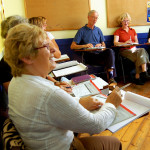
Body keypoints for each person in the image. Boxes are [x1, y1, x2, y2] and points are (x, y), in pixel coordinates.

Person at [4, 23, 122, 150]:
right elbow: (96, 125)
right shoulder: (48, 93)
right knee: (114, 142)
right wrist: (111, 104)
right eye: (46, 46)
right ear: (27, 57)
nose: (54, 49)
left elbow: (47, 109)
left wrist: (79, 101)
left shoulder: (16, 81)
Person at [70, 10, 117, 86]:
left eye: (96, 18)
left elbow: (104, 45)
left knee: (110, 51)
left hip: (99, 55)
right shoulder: (81, 31)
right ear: (88, 17)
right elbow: (72, 46)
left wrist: (100, 45)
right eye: (93, 17)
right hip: (89, 57)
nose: (95, 20)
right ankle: (110, 79)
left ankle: (111, 78)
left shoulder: (98, 30)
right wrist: (84, 45)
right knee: (109, 56)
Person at [114, 12, 150, 85]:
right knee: (140, 54)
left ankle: (139, 75)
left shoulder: (132, 30)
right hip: (124, 51)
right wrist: (125, 43)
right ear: (121, 21)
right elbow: (115, 43)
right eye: (124, 20)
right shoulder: (118, 31)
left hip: (134, 49)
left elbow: (136, 41)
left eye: (127, 20)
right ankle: (143, 72)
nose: (126, 22)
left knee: (142, 50)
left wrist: (133, 43)